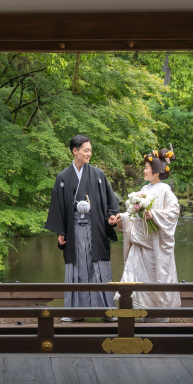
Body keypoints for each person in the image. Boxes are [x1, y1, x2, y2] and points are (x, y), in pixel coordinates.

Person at [45, 134, 121, 322]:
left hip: (95, 227)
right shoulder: (63, 177)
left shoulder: (98, 175)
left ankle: (108, 311)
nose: (89, 154)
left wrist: (111, 215)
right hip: (73, 230)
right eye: (86, 150)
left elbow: (109, 201)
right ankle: (74, 311)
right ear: (75, 151)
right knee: (76, 268)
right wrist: (60, 231)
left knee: (98, 266)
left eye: (90, 150)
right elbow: (58, 206)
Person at [116, 148, 181, 322]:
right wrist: (122, 218)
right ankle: (132, 316)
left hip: (155, 248)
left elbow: (174, 213)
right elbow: (134, 215)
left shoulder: (165, 190)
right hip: (139, 246)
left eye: (146, 167)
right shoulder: (145, 188)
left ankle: (157, 319)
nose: (144, 171)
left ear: (157, 170)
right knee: (131, 282)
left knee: (154, 282)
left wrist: (155, 215)